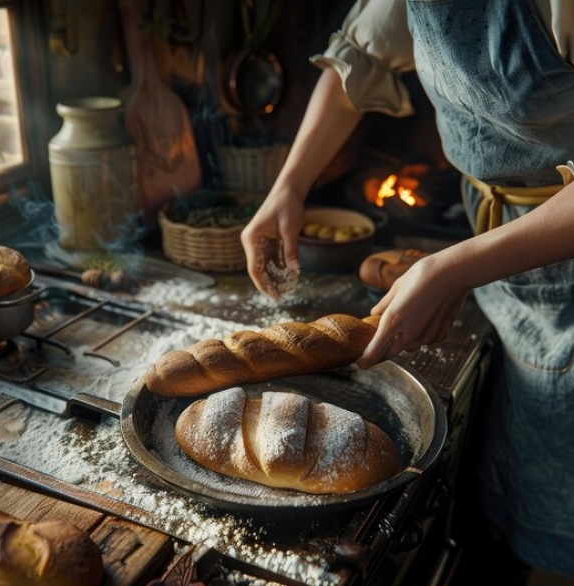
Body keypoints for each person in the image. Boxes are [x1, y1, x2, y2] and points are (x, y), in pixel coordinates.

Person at [240, 0, 574, 581]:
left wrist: (456, 269)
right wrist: (288, 186)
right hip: (500, 253)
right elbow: (361, 57)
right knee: (520, 487)